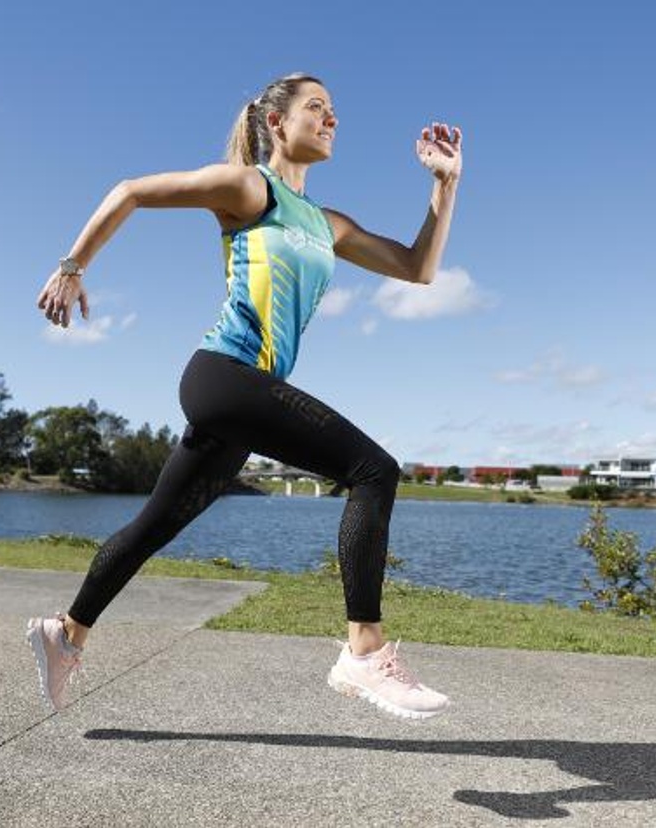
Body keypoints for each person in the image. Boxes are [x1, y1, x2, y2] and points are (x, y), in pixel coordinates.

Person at [27, 72, 462, 719]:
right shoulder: (248, 187)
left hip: (243, 401)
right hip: (223, 376)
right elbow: (130, 192)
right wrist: (71, 266)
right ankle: (364, 652)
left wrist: (444, 185)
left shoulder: (327, 224)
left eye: (335, 110)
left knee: (152, 527)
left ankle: (66, 633)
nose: (332, 119)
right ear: (277, 123)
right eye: (318, 107)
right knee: (374, 470)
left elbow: (418, 269)